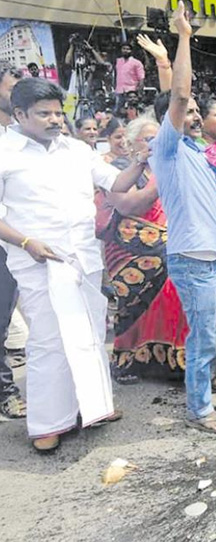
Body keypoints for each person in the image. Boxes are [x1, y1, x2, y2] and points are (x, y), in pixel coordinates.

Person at [0, 77, 147, 451]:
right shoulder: (5, 151)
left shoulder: (76, 151)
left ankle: (94, 406)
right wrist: (27, 242)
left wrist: (143, 159)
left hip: (83, 256)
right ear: (19, 114)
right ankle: (48, 423)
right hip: (38, 260)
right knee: (50, 340)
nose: (54, 120)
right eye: (43, 114)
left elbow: (117, 183)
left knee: (91, 332)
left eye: (57, 113)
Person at [147, 2, 216, 433]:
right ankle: (200, 410)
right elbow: (177, 97)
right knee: (202, 338)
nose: (197, 115)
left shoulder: (195, 151)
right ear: (171, 120)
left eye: (202, 111)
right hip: (194, 260)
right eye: (192, 112)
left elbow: (177, 96)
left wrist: (164, 63)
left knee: (214, 332)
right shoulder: (166, 149)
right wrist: (182, 37)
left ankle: (203, 391)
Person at [94, 117, 190, 383]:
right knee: (170, 256)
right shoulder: (119, 169)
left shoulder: (165, 166)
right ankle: (127, 360)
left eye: (157, 139)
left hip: (162, 240)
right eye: (148, 140)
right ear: (130, 143)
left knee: (179, 269)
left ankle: (171, 361)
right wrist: (161, 177)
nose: (154, 145)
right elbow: (127, 206)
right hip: (129, 245)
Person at [0, 61, 26, 420]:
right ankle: (6, 390)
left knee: (5, 319)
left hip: (19, 243)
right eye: (11, 86)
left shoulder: (20, 136)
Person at [114, 42, 145, 109]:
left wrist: (139, 93)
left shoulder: (136, 63)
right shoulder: (118, 61)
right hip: (119, 91)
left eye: (128, 49)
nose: (125, 50)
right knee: (119, 112)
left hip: (132, 92)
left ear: (131, 51)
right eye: (124, 49)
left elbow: (141, 78)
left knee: (133, 110)